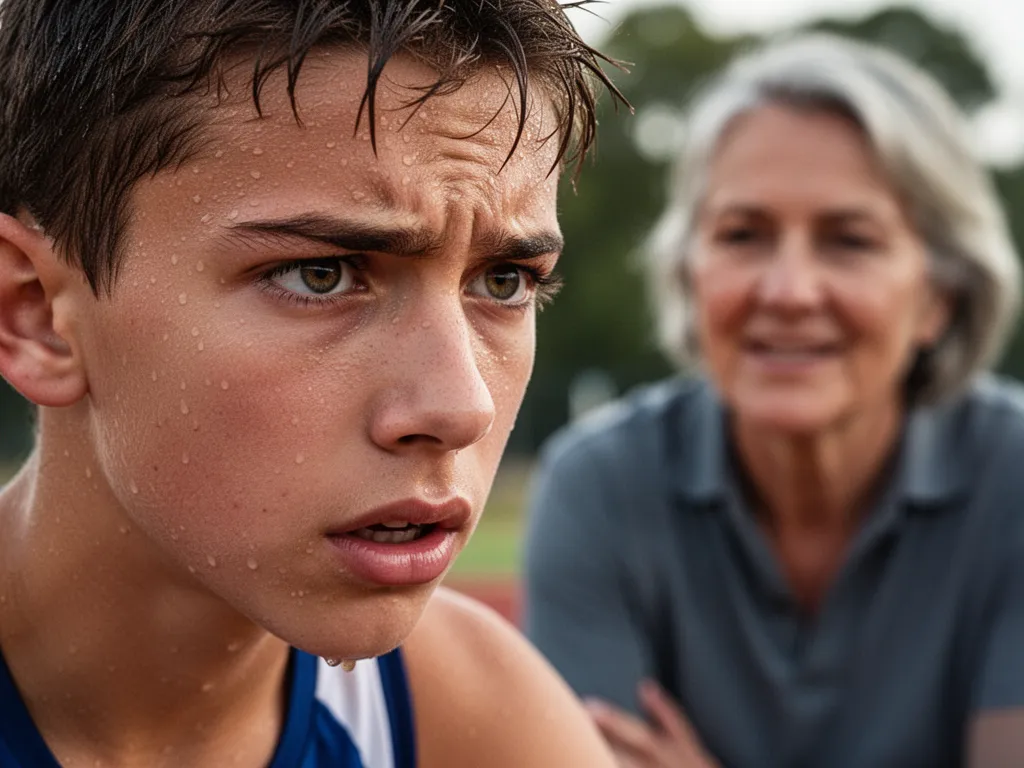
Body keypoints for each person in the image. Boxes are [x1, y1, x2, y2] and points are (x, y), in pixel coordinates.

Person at [0, 1, 626, 766]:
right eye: (320, 275)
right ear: (31, 314)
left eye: (503, 282)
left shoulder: (475, 722)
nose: (461, 405)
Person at [524, 32, 1024, 768]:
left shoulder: (1013, 480)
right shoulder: (600, 486)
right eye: (743, 234)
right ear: (690, 273)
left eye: (849, 240)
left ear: (939, 299)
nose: (787, 291)